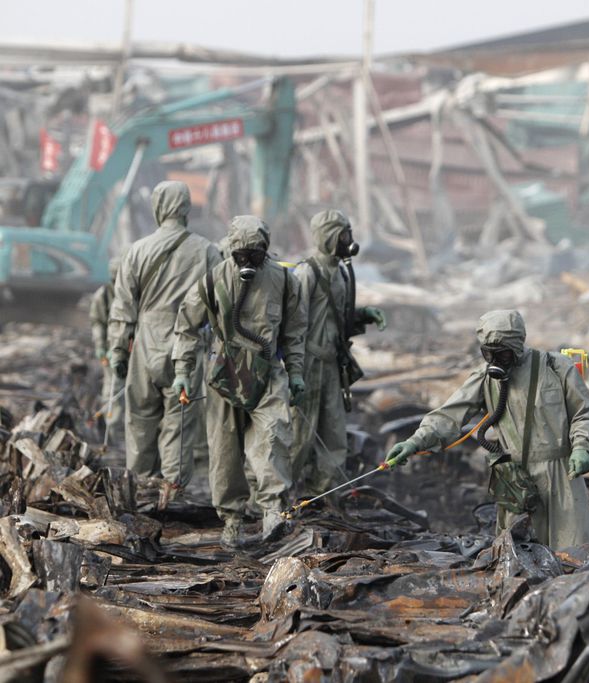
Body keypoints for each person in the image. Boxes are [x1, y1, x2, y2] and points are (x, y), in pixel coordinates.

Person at [385, 310, 589, 550]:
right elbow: (449, 416)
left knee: (574, 552)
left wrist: (582, 447)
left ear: (517, 345)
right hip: (516, 481)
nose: (496, 360)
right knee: (521, 557)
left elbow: (583, 413)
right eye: (489, 353)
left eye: (503, 353)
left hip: (562, 476)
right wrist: (415, 442)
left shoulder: (556, 367)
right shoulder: (485, 378)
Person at [172, 215, 306, 546]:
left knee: (273, 436)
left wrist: (297, 371)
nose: (247, 262)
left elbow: (295, 331)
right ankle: (232, 518)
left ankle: (272, 511)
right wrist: (181, 371)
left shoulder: (285, 281)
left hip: (267, 371)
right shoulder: (211, 282)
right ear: (230, 251)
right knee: (224, 450)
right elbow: (187, 325)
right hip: (224, 373)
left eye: (255, 256)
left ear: (267, 250)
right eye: (240, 256)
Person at [107, 181, 221, 487]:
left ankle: (139, 489)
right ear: (186, 208)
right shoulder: (208, 251)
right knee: (179, 425)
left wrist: (118, 350)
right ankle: (172, 494)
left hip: (144, 345)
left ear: (158, 207)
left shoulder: (137, 250)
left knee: (140, 421)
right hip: (188, 346)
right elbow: (221, 304)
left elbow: (123, 307)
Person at [289, 210, 386, 497]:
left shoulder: (341, 272)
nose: (349, 240)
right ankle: (278, 497)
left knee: (333, 433)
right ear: (329, 236)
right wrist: (292, 369)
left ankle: (324, 492)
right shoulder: (307, 273)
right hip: (308, 363)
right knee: (299, 436)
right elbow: (293, 322)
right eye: (344, 234)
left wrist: (364, 315)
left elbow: (336, 317)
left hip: (332, 365)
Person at [90, 256, 125, 439]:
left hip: (130, 348)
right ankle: (113, 430)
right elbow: (98, 323)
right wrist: (101, 347)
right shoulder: (102, 296)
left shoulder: (133, 294)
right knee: (113, 388)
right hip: (111, 350)